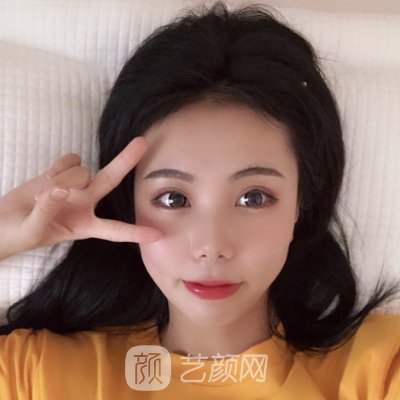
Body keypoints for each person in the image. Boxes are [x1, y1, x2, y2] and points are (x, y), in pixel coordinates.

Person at [0, 1, 399, 399]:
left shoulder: (379, 368)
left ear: (302, 201)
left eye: (254, 197)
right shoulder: (39, 374)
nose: (212, 246)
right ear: (129, 203)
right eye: (173, 198)